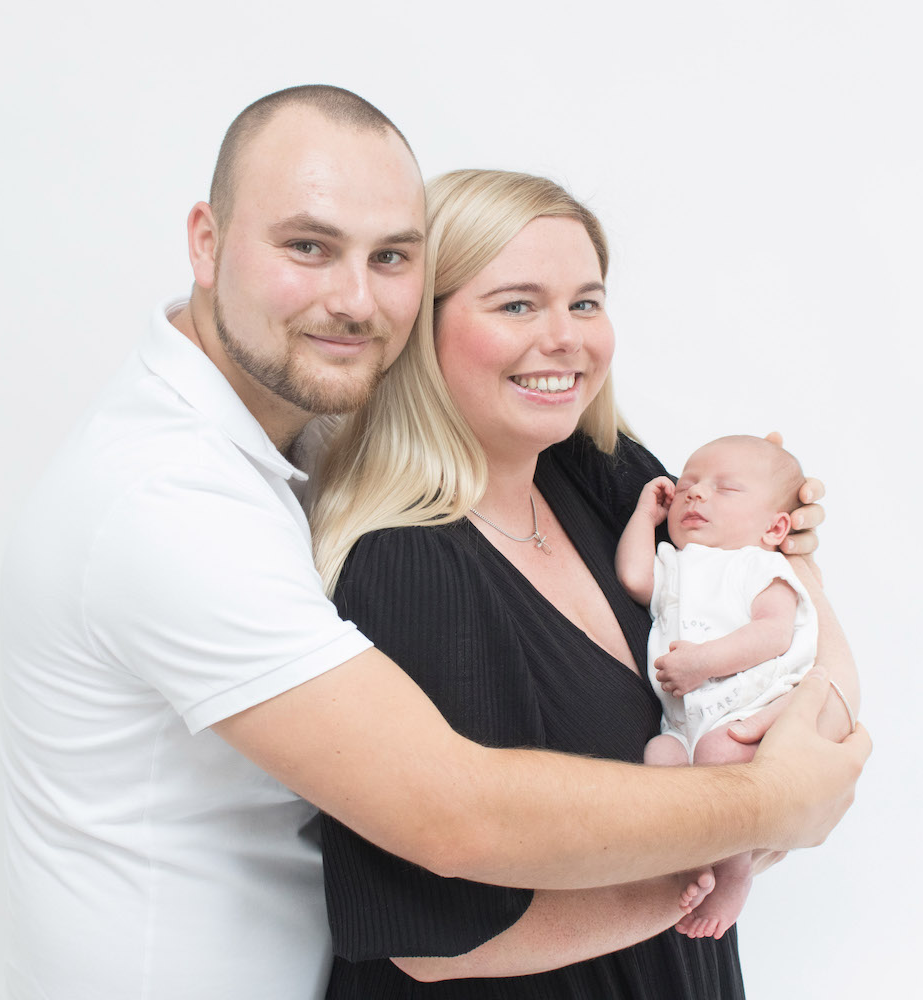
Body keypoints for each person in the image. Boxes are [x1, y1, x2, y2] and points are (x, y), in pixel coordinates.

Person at [1, 86, 868, 1000]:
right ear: (207, 244)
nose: (354, 298)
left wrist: (785, 551)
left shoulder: (577, 466)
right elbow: (450, 821)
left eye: (389, 257)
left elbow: (795, 633)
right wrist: (767, 812)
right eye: (308, 245)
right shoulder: (172, 504)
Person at [310, 169, 861, 997]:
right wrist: (757, 821)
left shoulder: (600, 477)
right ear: (420, 329)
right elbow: (434, 941)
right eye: (517, 304)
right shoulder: (403, 564)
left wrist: (799, 570)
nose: (566, 337)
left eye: (586, 302)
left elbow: (804, 660)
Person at [615, 434, 838, 942]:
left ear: (775, 527)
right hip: (683, 720)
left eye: (725, 489)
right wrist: (643, 519)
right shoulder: (675, 562)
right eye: (689, 484)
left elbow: (772, 633)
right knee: (660, 757)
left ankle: (735, 870)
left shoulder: (762, 567)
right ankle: (687, 861)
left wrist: (702, 664)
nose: (695, 495)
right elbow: (633, 578)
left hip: (744, 712)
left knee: (719, 753)